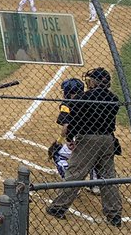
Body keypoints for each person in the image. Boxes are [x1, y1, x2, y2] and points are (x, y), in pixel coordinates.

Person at [47, 67, 123, 225]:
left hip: (88, 140)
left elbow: (74, 122)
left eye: (90, 80)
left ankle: (58, 207)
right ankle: (114, 214)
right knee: (108, 177)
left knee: (75, 174)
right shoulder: (114, 99)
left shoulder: (83, 98)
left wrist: (68, 138)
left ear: (95, 81)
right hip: (108, 140)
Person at [47, 78, 101, 194]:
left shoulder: (66, 104)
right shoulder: (89, 99)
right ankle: (96, 185)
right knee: (93, 157)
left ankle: (70, 185)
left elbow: (66, 126)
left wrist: (59, 141)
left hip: (78, 139)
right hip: (96, 137)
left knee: (58, 155)